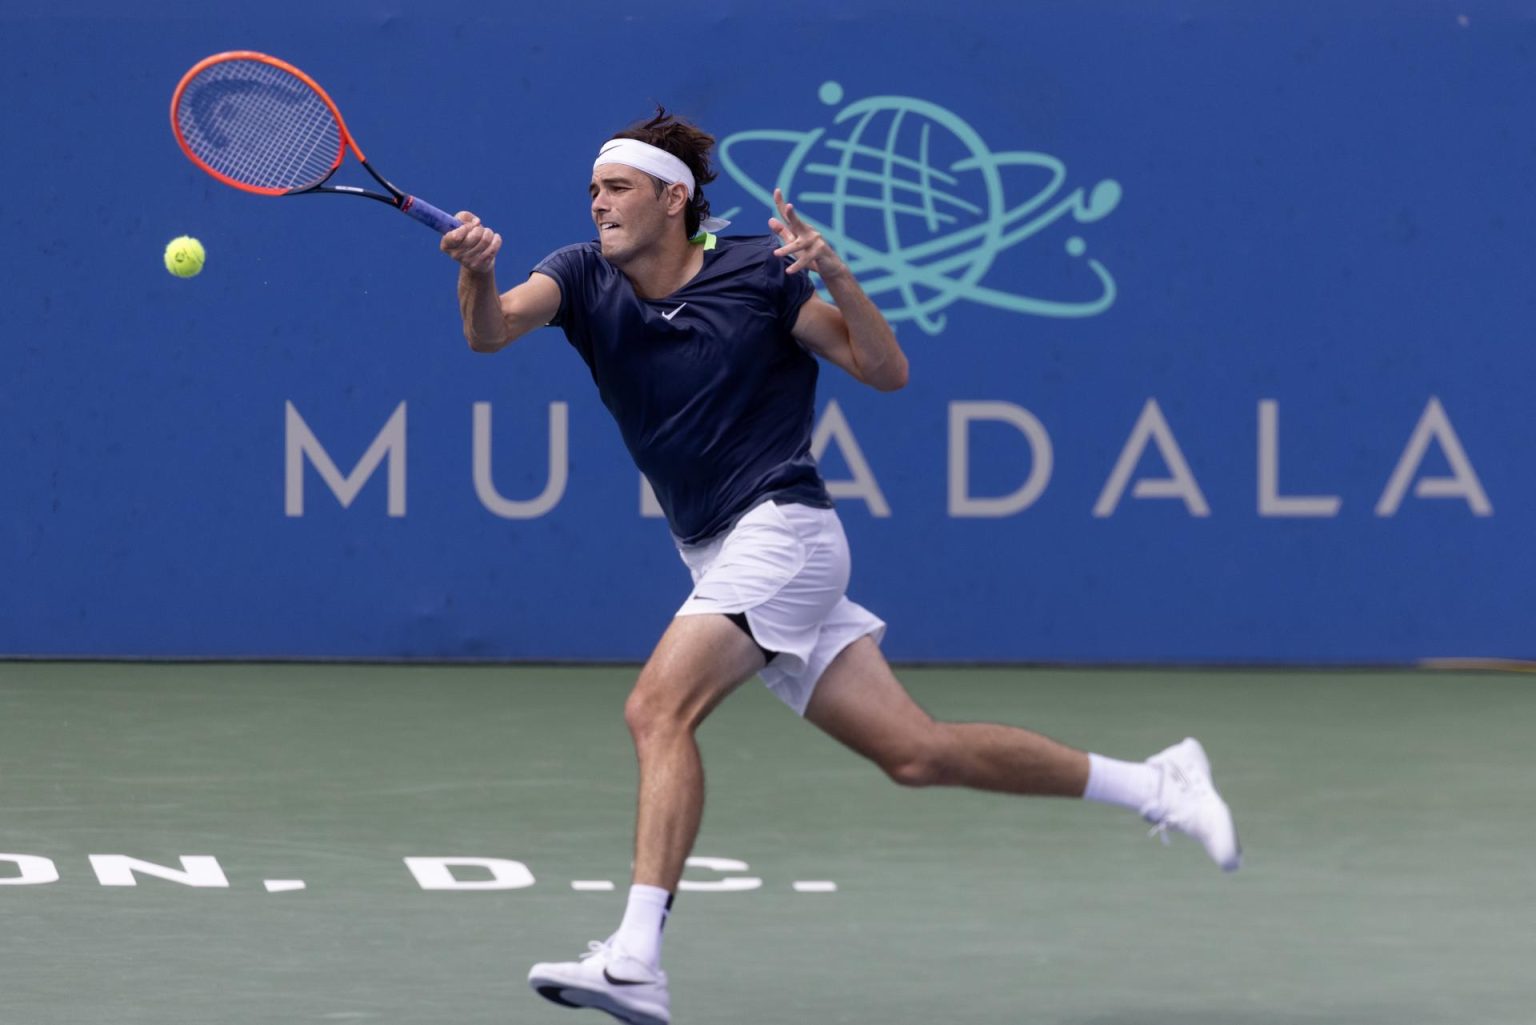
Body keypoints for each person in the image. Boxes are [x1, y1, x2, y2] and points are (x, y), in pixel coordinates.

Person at [440, 108, 1241, 1025]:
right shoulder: (581, 275)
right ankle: (1158, 782)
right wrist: (478, 272)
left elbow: (884, 368)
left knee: (656, 708)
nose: (598, 205)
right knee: (917, 752)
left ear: (673, 198)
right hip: (717, 550)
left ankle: (635, 959)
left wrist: (838, 275)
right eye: (592, 190)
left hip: (783, 530)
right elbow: (491, 332)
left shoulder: (759, 275)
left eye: (616, 189)